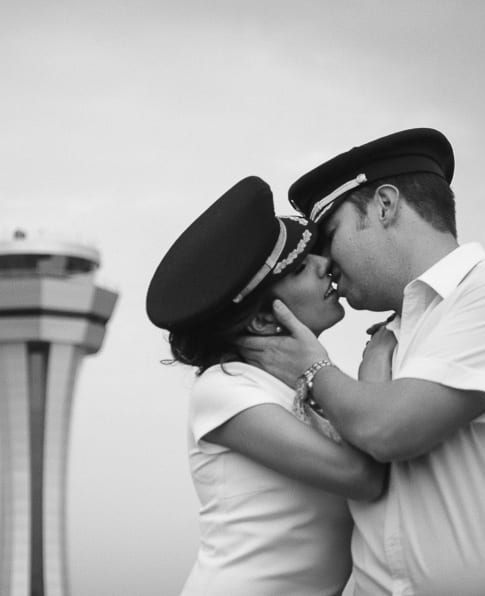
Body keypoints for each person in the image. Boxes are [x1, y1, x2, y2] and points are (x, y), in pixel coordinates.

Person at [241, 128, 485, 595]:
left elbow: (389, 430)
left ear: (385, 205)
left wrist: (314, 368)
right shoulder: (387, 337)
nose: (323, 261)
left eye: (329, 235)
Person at [146, 176, 387, 596]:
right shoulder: (225, 389)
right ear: (261, 320)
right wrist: (378, 359)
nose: (323, 264)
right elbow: (364, 476)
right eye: (299, 268)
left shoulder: (307, 388)